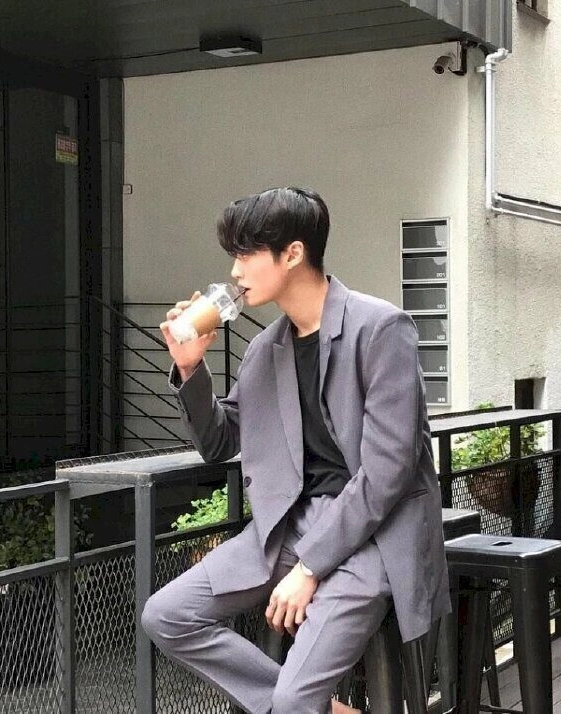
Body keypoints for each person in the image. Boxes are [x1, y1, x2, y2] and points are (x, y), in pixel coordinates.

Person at [142, 187, 450, 714]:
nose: (235, 271)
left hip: (374, 534)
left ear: (292, 253)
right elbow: (220, 442)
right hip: (288, 527)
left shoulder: (380, 328)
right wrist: (190, 367)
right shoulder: (267, 349)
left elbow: (386, 474)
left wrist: (309, 568)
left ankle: (299, 705)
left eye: (246, 254)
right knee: (167, 615)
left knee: (291, 701)